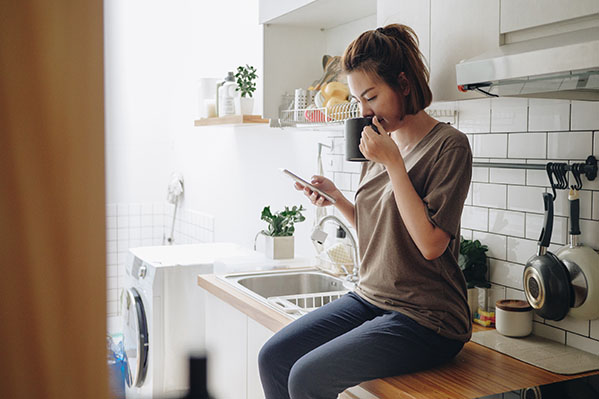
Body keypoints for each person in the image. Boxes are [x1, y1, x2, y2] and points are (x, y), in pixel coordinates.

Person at [258, 23, 473, 399]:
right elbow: (379, 230)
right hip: (371, 297)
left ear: (403, 84)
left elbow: (430, 244)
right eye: (358, 100)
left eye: (371, 97)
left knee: (306, 377)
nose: (364, 110)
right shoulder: (378, 144)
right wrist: (338, 199)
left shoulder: (448, 146)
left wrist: (392, 163)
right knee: (273, 357)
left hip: (428, 318)